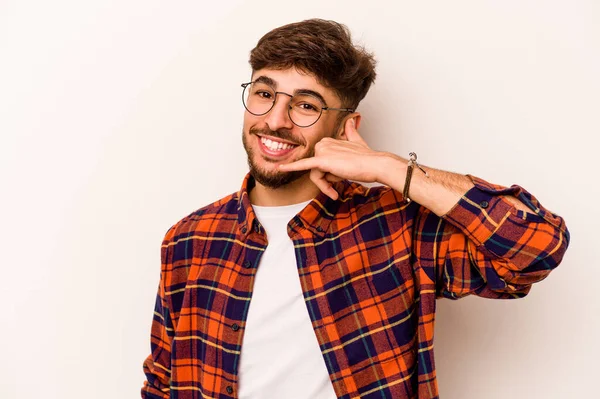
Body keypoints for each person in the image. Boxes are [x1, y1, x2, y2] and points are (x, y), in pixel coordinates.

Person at [141, 18, 570, 399]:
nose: (275, 120)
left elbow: (534, 248)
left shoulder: (396, 225)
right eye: (264, 93)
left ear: (345, 126)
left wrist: (388, 167)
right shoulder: (190, 239)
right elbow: (162, 381)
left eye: (306, 105)